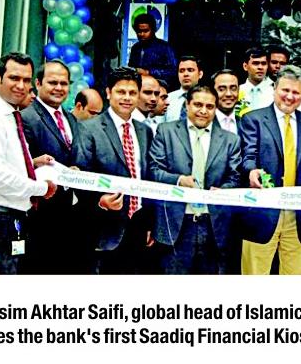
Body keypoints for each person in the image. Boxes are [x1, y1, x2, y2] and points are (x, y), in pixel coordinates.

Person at [0, 52, 57, 274]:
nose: (21, 86)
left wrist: (32, 164)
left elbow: (3, 162)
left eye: (26, 80)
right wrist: (41, 188)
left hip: (9, 223)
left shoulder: (11, 117)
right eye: (14, 78)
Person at [239, 65, 301, 275]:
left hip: (299, 216)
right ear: (274, 89)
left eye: (296, 92)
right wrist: (251, 171)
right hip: (262, 212)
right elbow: (247, 156)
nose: (289, 96)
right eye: (285, 90)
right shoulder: (253, 119)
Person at [149, 84, 242, 274]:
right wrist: (179, 180)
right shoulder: (166, 131)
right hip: (176, 222)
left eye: (209, 106)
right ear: (187, 105)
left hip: (213, 224)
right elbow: (153, 170)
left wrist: (223, 191)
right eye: (198, 105)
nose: (203, 111)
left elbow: (235, 176)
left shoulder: (230, 140)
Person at [71, 66, 154, 274]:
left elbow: (149, 177)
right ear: (108, 93)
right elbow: (80, 174)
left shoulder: (145, 131)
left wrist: (150, 222)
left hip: (138, 225)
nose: (127, 98)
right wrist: (100, 200)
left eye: (132, 92)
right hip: (103, 225)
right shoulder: (89, 128)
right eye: (121, 92)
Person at [20, 60, 89, 274]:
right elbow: (20, 163)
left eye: (64, 83)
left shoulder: (71, 119)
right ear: (38, 83)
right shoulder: (26, 117)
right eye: (53, 82)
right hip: (40, 216)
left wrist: (77, 169)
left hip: (71, 216)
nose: (59, 88)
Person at [128, 12, 177, 89]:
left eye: (146, 31)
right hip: (138, 88)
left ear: (153, 30)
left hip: (160, 88)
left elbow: (173, 71)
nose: (142, 34)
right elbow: (131, 68)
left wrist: (148, 72)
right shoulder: (135, 48)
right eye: (139, 31)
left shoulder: (165, 47)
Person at [164, 56, 203, 122]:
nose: (185, 74)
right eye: (181, 71)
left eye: (190, 70)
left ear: (200, 74)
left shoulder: (208, 99)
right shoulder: (167, 99)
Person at [239, 46, 274, 111]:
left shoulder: (275, 93)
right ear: (245, 66)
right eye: (255, 63)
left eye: (264, 63)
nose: (260, 67)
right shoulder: (237, 92)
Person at [212, 69, 242, 135]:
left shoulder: (245, 123)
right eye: (221, 89)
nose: (228, 94)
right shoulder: (206, 123)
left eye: (233, 89)